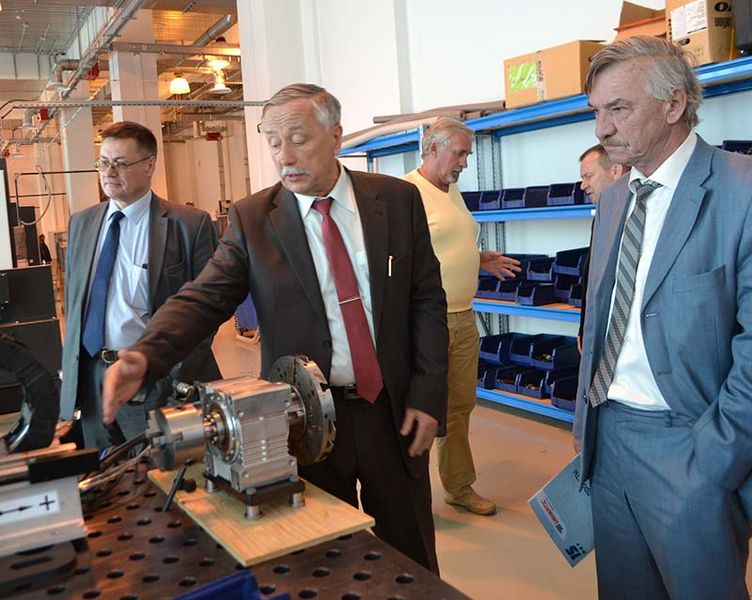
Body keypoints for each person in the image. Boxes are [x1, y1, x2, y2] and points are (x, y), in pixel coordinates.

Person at [101, 84, 449, 573]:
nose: (284, 155)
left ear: (336, 137)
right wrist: (145, 354)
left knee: (411, 554)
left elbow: (426, 300)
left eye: (299, 139)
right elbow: (204, 297)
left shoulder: (396, 200)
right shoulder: (253, 219)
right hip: (302, 418)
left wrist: (428, 395)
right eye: (272, 142)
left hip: (392, 414)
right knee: (324, 560)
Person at [574, 36, 752, 599]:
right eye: (596, 111)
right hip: (607, 439)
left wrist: (714, 461)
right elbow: (601, 319)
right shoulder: (613, 199)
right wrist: (585, 427)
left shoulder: (742, 190)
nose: (601, 129)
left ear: (673, 104)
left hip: (692, 445)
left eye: (618, 109)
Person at [61, 121, 220, 450]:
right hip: (91, 381)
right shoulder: (81, 223)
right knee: (103, 473)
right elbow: (75, 306)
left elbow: (207, 311)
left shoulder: (189, 225)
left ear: (149, 165)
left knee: (154, 472)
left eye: (120, 163)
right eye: (103, 162)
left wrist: (170, 379)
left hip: (153, 380)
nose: (109, 172)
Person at [404, 117, 520, 516]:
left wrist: (478, 259)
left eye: (468, 155)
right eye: (459, 153)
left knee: (459, 407)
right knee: (420, 407)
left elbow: (447, 243)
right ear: (433, 149)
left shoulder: (451, 190)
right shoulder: (407, 193)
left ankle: (458, 486)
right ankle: (409, 495)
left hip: (464, 317)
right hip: (426, 322)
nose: (465, 163)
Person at [576, 145, 628, 351]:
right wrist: (584, 329)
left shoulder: (638, 217)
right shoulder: (602, 216)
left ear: (616, 171)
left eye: (588, 176)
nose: (582, 185)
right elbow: (592, 278)